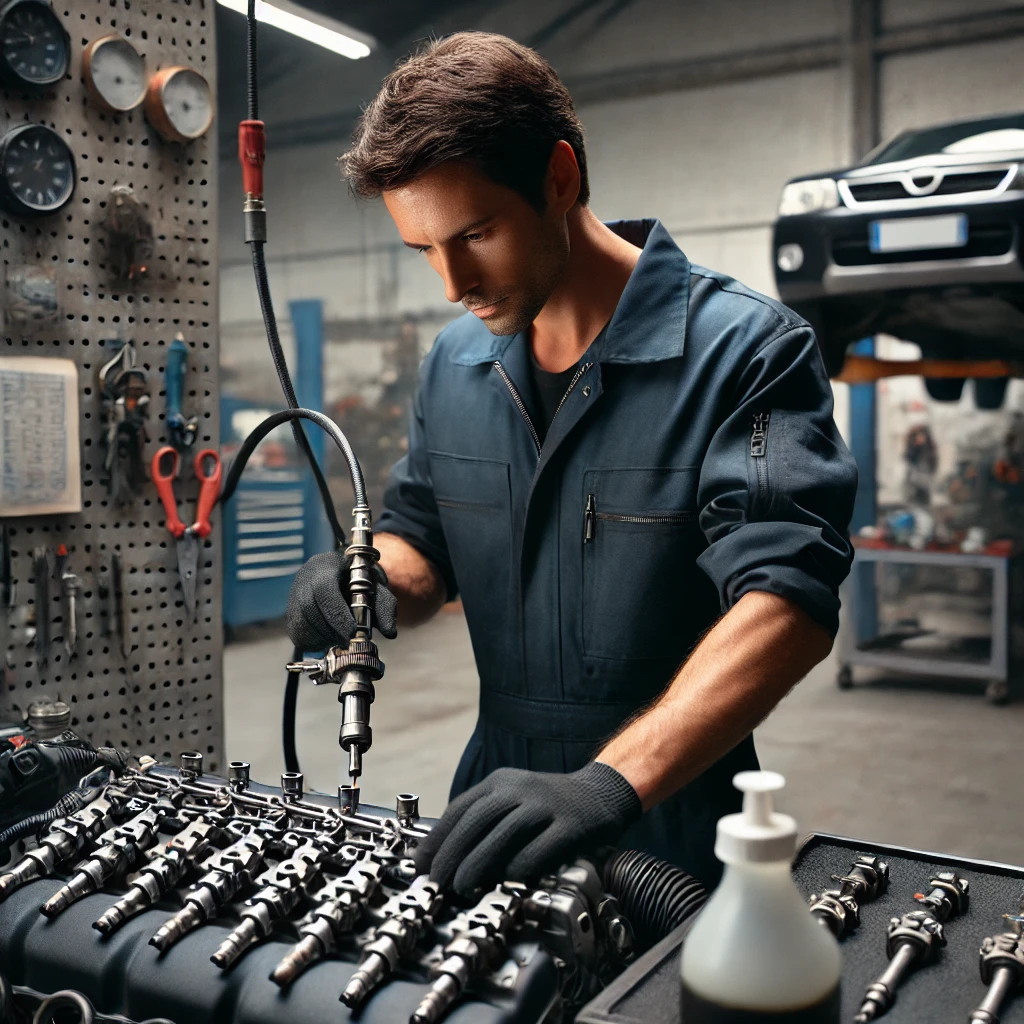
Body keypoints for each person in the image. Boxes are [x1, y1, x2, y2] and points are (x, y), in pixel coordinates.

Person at [286, 31, 858, 897]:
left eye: (474, 233)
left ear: (560, 177)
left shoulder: (745, 351)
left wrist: (609, 783)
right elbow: (423, 542)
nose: (452, 283)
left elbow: (788, 604)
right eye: (424, 250)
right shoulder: (454, 363)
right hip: (495, 802)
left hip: (671, 806)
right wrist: (363, 580)